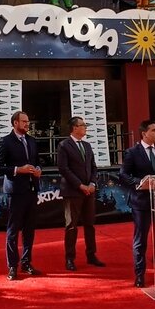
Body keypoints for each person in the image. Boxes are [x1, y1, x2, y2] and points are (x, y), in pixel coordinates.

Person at [119, 119, 155, 288]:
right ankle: (140, 275)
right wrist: (142, 182)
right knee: (141, 240)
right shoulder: (132, 152)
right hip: (141, 202)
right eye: (153, 130)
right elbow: (123, 175)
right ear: (144, 133)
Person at [0, 110, 42, 281]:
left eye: (28, 121)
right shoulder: (5, 141)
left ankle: (26, 262)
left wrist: (38, 171)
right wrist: (17, 170)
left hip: (32, 190)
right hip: (15, 192)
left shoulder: (32, 141)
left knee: (29, 230)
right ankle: (12, 266)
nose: (27, 124)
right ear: (15, 123)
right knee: (13, 230)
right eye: (24, 122)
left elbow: (38, 162)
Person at [56, 116, 106, 271]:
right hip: (73, 191)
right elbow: (64, 169)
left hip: (89, 191)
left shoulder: (87, 145)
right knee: (71, 226)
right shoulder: (64, 145)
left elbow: (93, 167)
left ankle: (91, 255)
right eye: (82, 125)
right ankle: (70, 258)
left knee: (90, 224)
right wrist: (80, 185)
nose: (85, 127)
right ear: (74, 128)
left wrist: (91, 184)